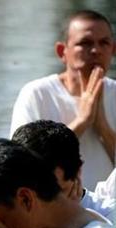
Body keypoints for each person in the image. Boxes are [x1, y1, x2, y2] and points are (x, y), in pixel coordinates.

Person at [10, 9, 116, 189]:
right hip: (56, 210)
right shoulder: (37, 94)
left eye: (104, 43)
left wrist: (103, 127)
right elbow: (22, 165)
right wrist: (82, 121)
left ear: (113, 50)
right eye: (85, 43)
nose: (96, 50)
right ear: (62, 51)